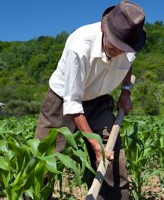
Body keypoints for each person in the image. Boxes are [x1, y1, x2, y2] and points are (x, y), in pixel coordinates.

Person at [34, 1, 146, 199]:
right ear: (103, 28)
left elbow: (128, 65)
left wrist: (126, 91)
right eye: (115, 44)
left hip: (99, 99)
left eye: (123, 48)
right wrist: (94, 144)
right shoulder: (79, 45)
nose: (118, 51)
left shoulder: (130, 43)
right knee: (45, 160)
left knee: (111, 155)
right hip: (63, 101)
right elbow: (73, 103)